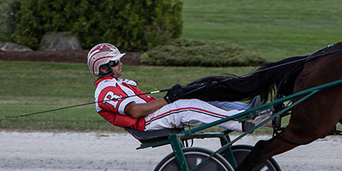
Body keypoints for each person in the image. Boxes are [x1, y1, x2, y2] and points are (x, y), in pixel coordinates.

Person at [88, 43, 266, 132]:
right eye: (115, 62)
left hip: (154, 114)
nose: (121, 63)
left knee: (198, 94)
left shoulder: (119, 83)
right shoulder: (105, 91)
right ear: (103, 68)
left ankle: (248, 110)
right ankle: (239, 122)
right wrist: (167, 100)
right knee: (187, 106)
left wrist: (172, 97)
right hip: (148, 122)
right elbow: (134, 111)